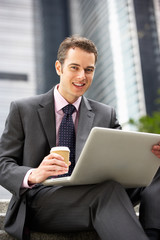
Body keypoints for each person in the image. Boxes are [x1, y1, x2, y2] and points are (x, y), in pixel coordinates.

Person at [0, 35, 156, 240]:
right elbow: (3, 163)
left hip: (96, 193)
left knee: (157, 167)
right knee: (106, 192)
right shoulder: (23, 109)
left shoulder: (105, 114)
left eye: (89, 70)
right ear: (59, 68)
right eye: (75, 67)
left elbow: (121, 158)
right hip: (42, 202)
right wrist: (33, 174)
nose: (82, 76)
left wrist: (149, 158)